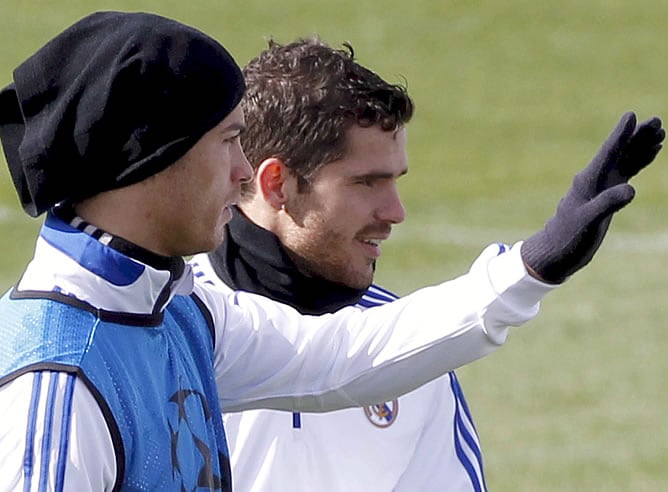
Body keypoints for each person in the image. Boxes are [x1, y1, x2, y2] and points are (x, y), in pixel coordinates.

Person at [0, 11, 663, 492]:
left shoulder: (175, 310)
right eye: (228, 142)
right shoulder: (57, 382)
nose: (243, 173)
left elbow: (342, 358)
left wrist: (532, 266)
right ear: (152, 161)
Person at [189, 37, 486, 491]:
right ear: (277, 185)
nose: (395, 213)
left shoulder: (410, 341)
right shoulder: (170, 329)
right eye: (367, 183)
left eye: (394, 180)